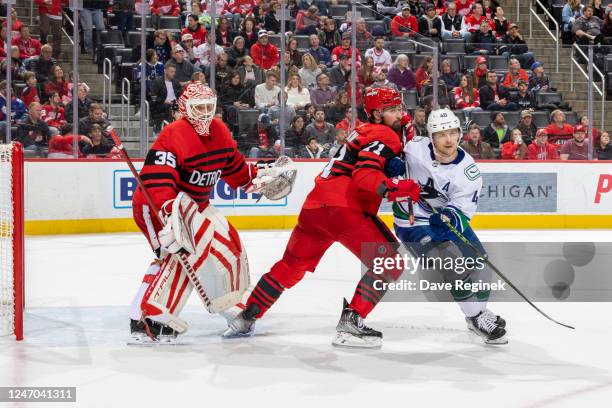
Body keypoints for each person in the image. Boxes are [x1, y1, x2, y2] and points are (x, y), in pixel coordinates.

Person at [224, 87, 420, 348]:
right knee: (390, 263)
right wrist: (397, 188)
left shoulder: (363, 131)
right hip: (346, 209)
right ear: (376, 114)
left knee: (290, 267)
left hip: (315, 209)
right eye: (393, 110)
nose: (400, 114)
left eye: (400, 109)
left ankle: (247, 316)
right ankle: (352, 322)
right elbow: (364, 177)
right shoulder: (384, 134)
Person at [129, 81, 294, 343]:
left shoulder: (219, 131)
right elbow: (158, 182)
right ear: (185, 108)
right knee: (174, 256)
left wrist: (262, 177)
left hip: (195, 206)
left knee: (229, 242)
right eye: (198, 108)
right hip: (156, 207)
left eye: (209, 107)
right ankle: (146, 318)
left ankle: (232, 303)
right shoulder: (173, 134)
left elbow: (237, 172)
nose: (205, 113)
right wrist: (170, 215)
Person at [394, 108, 508, 345]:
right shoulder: (414, 147)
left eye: (453, 133)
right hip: (411, 220)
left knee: (481, 262)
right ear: (431, 137)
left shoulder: (468, 171)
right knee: (452, 265)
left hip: (442, 218)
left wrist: (450, 216)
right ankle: (476, 317)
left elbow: (462, 210)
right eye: (442, 134)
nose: (449, 139)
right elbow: (389, 151)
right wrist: (390, 166)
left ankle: (477, 313)